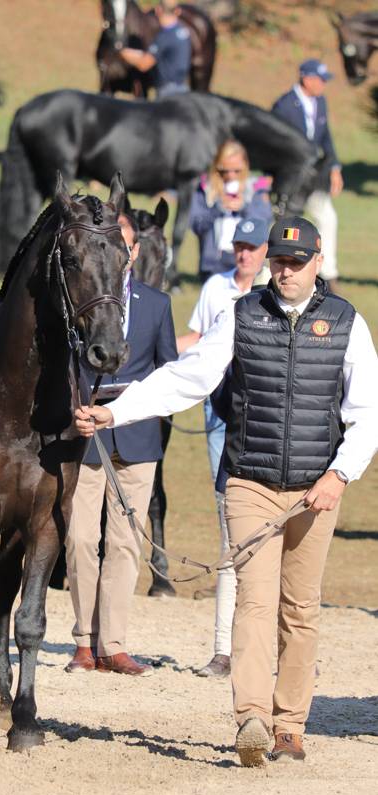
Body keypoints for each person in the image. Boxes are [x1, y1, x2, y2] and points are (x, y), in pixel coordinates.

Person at [75, 216, 378, 765]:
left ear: (318, 262)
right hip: (250, 483)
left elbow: (368, 412)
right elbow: (187, 377)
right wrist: (116, 411)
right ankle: (252, 720)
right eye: (278, 262)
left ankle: (290, 726)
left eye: (296, 262)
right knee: (255, 601)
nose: (285, 272)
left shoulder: (347, 323)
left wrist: (340, 475)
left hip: (316, 488)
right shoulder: (242, 314)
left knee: (300, 608)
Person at [65, 212, 178, 676]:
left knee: (126, 542)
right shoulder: (78, 299)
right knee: (80, 539)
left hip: (137, 438)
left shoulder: (157, 304)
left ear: (133, 252)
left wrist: (155, 425)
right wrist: (72, 411)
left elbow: (168, 373)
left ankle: (113, 643)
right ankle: (84, 641)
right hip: (85, 435)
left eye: (124, 245)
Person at [179, 217, 270, 678]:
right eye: (239, 246)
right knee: (232, 544)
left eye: (252, 247)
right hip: (233, 435)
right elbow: (201, 352)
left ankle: (276, 653)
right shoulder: (219, 290)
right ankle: (223, 649)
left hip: (279, 452)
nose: (244, 254)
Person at [272, 59, 342, 292]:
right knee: (286, 227)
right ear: (307, 79)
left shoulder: (320, 102)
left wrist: (335, 167)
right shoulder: (284, 105)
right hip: (290, 180)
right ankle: (276, 274)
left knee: (327, 217)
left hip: (314, 178)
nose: (323, 85)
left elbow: (326, 138)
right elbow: (274, 144)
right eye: (320, 80)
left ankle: (328, 274)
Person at [188, 140, 272, 281]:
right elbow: (196, 224)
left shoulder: (256, 187)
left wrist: (244, 207)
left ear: (246, 165)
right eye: (224, 171)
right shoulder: (205, 187)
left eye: (237, 171)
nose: (230, 176)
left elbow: (264, 223)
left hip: (248, 260)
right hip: (214, 262)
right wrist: (217, 210)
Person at [118, 1, 192, 97]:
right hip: (182, 88)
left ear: (158, 10)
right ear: (178, 11)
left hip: (168, 92)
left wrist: (122, 52)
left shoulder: (165, 36)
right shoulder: (182, 31)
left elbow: (144, 64)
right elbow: (159, 54)